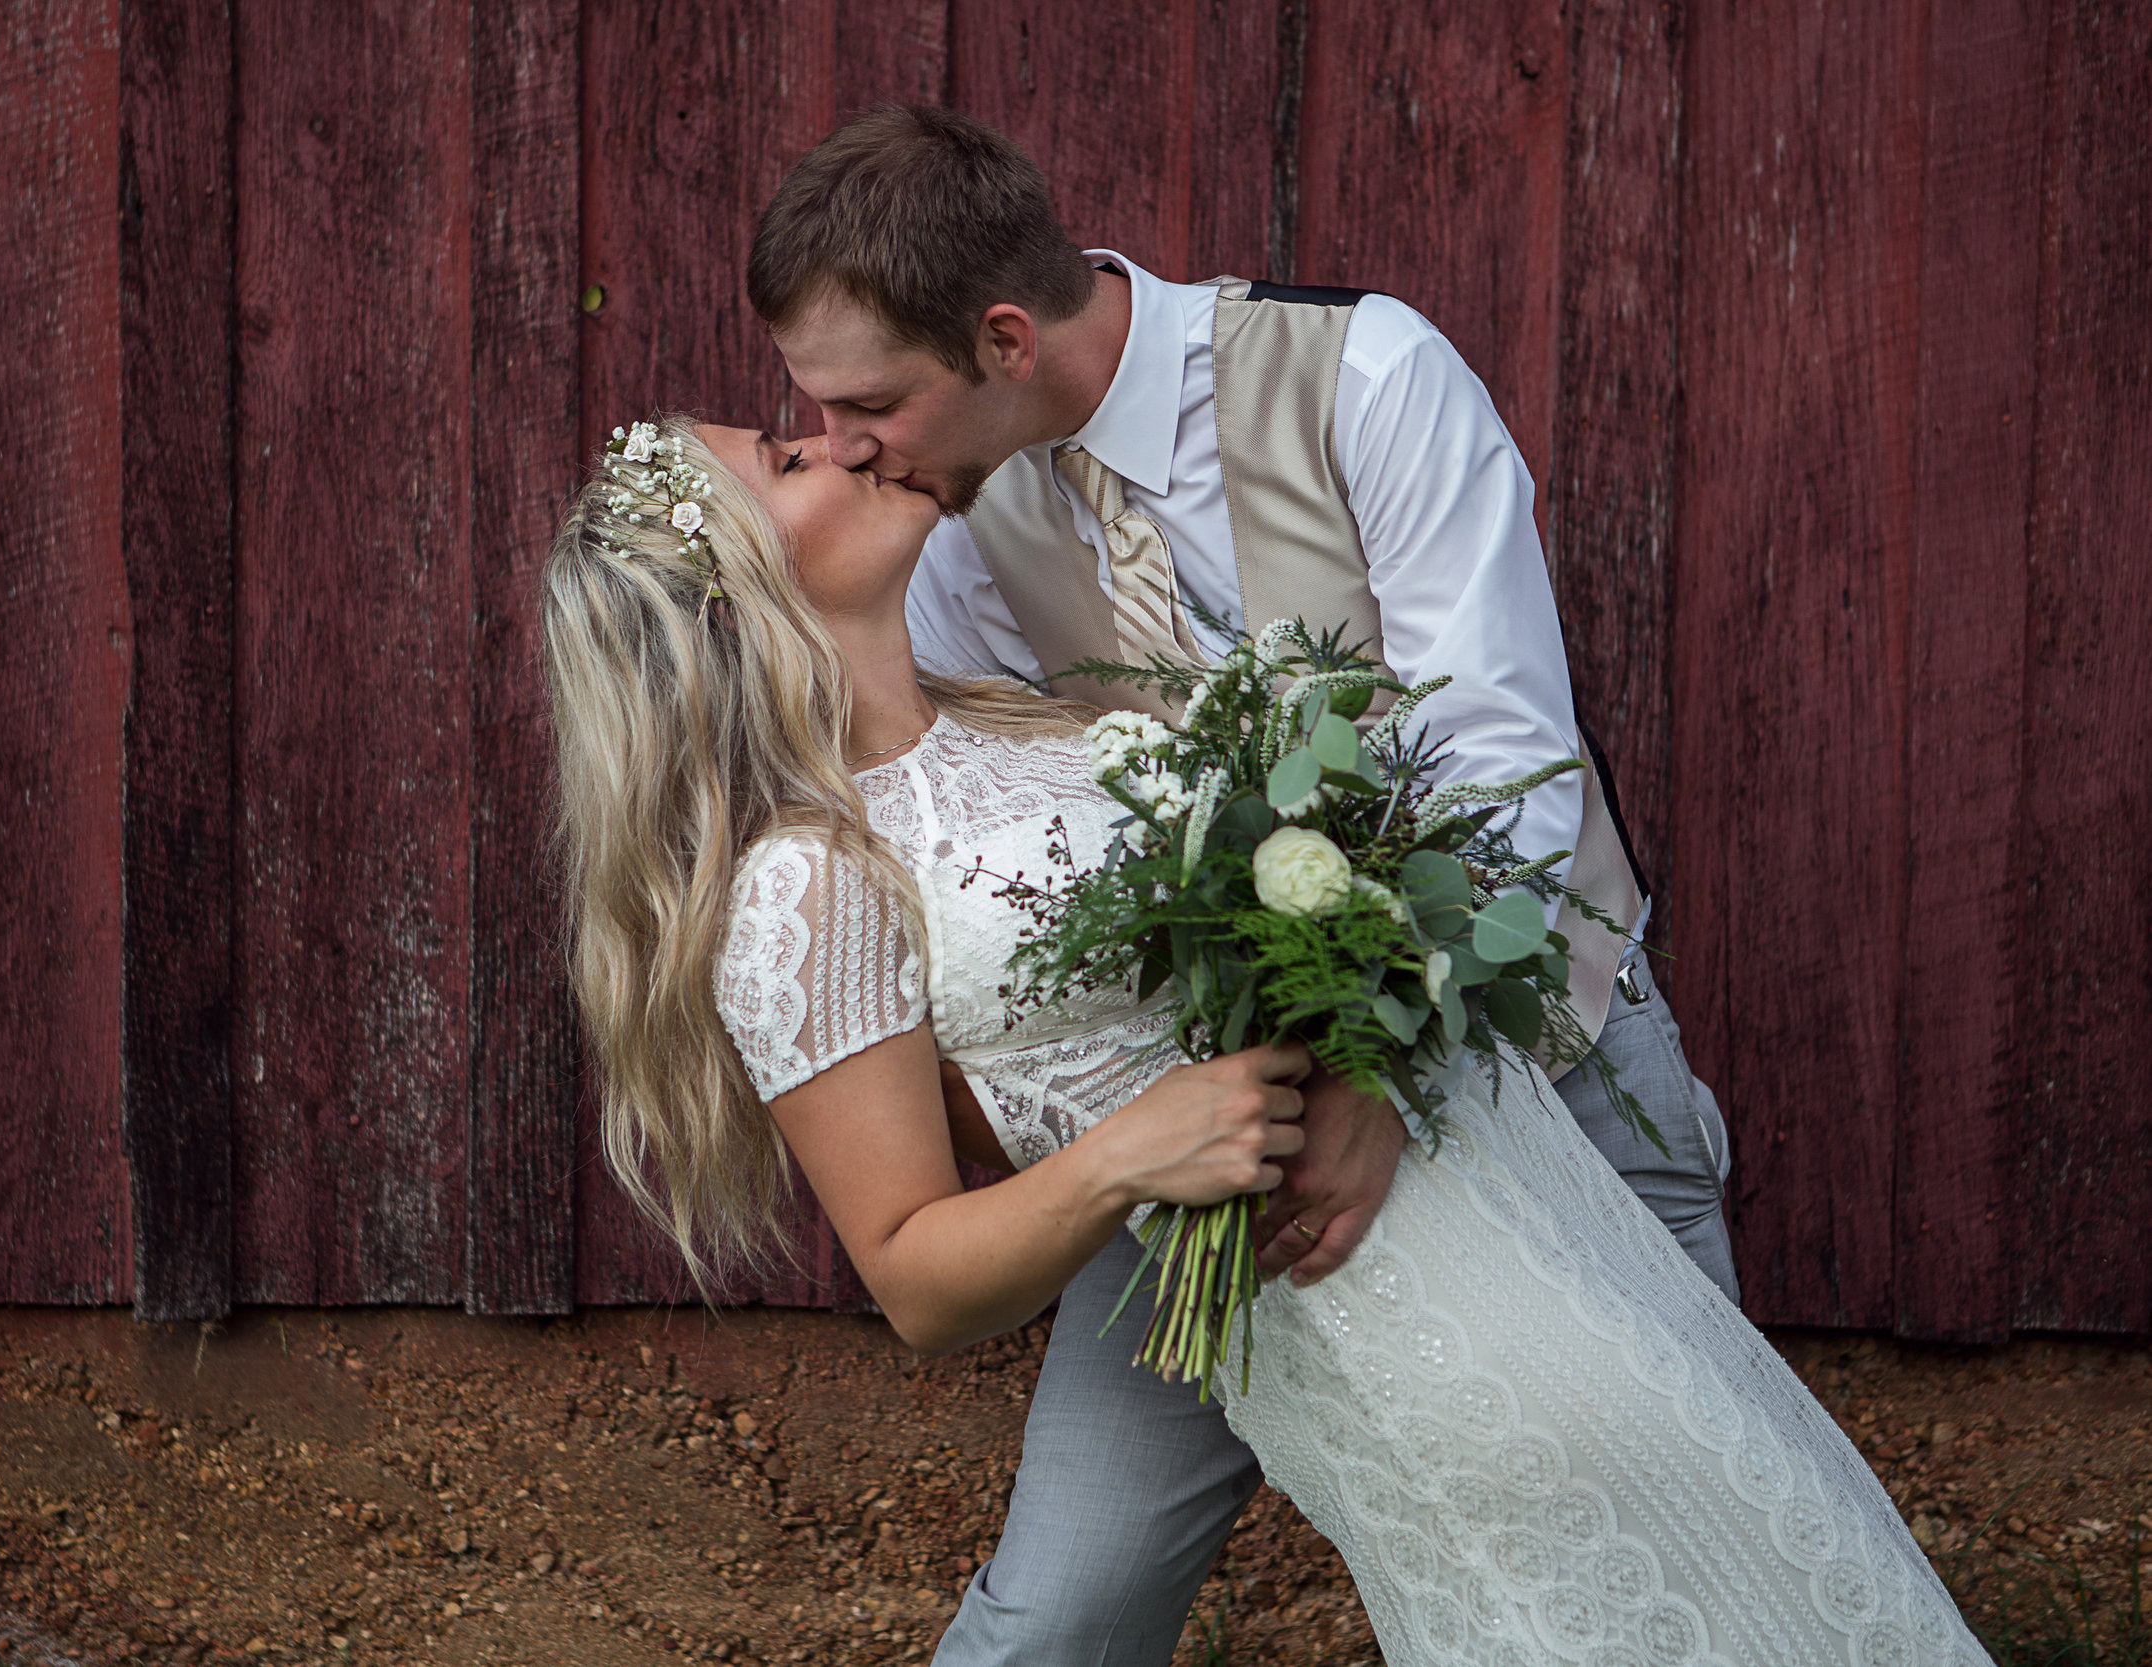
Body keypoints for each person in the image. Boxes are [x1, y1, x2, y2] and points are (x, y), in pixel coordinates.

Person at [540, 413, 1984, 1666]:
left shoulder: (1026, 721)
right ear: (730, 591)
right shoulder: (807, 881)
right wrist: (1120, 1163)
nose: (847, 439)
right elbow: (915, 1277)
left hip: (1518, 1192)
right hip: (1371, 1313)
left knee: (1772, 1546)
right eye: (787, 459)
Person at [743, 106, 1740, 1661]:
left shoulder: (1364, 377)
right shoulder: (941, 526)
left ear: (1004, 336)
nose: (852, 445)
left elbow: (1503, 770)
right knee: (1065, 1602)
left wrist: (1371, 1069)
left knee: (1689, 1519)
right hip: (1207, 1133)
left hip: (1545, 1057)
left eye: (870, 402)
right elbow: (1016, 829)